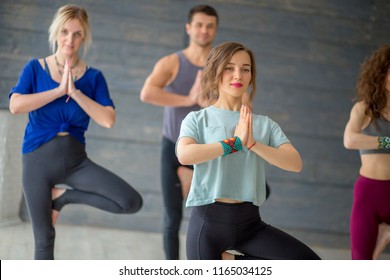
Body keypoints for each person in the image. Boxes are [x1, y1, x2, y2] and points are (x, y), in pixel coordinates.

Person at [8, 4, 143, 260]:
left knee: (131, 202)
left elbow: (108, 120)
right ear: (56, 32)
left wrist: (76, 93)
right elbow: (16, 105)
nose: (70, 39)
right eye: (65, 31)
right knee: (44, 238)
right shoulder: (35, 68)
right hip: (37, 162)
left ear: (84, 37)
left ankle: (63, 198)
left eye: (77, 34)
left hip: (75, 163)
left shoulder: (94, 78)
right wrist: (58, 91)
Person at [176, 41, 320, 260]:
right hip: (207, 226)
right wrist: (234, 144)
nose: (238, 75)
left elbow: (295, 163)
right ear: (216, 71)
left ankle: (233, 262)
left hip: (249, 225)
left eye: (245, 69)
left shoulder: (264, 124)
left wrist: (253, 144)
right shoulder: (197, 119)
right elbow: (185, 154)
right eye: (229, 68)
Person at [139, 5, 219, 260]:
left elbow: (236, 103)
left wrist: (209, 103)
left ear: (215, 30)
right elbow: (147, 93)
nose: (204, 30)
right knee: (172, 217)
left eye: (209, 26)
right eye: (199, 25)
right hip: (173, 147)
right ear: (188, 28)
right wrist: (188, 99)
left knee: (212, 219)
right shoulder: (172, 62)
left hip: (206, 152)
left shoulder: (221, 66)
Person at [343, 44, 390, 260]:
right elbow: (350, 140)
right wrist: (387, 141)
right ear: (381, 75)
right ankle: (382, 238)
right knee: (360, 262)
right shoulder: (365, 109)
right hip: (369, 192)